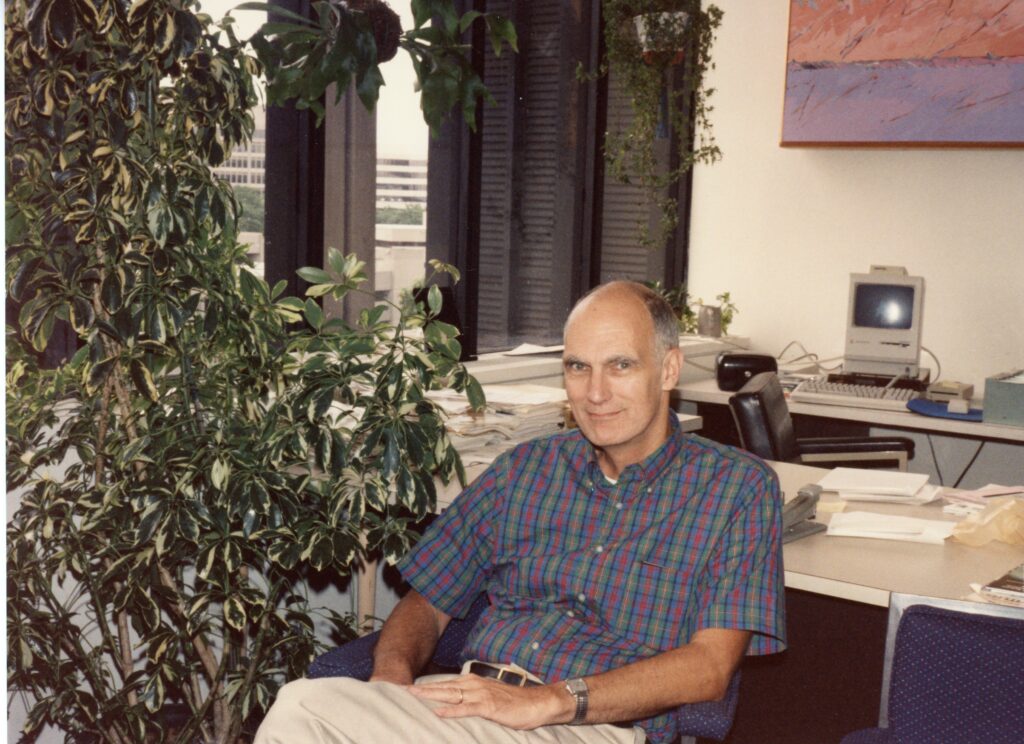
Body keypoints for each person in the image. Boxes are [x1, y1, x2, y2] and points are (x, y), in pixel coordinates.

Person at [255, 281, 785, 743]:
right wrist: (392, 681)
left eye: (620, 365)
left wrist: (548, 701)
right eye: (578, 367)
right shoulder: (525, 471)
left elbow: (711, 668)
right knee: (306, 707)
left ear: (668, 368)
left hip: (587, 724)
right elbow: (429, 601)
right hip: (464, 704)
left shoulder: (737, 489)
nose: (595, 392)